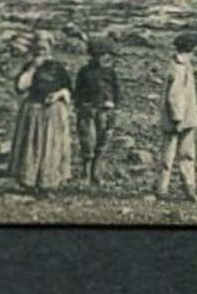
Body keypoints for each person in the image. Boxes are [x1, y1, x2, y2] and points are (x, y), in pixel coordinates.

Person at [8, 31, 74, 193]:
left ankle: (48, 183)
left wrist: (58, 95)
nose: (40, 52)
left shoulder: (57, 68)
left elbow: (67, 89)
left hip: (53, 111)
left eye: (44, 48)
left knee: (51, 145)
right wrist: (33, 68)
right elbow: (20, 87)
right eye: (37, 48)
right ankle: (28, 181)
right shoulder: (29, 67)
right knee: (31, 145)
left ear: (51, 48)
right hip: (33, 109)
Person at [155, 31, 197, 202]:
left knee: (177, 154)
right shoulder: (178, 68)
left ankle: (170, 188)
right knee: (178, 154)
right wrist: (177, 118)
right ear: (189, 50)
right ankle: (170, 190)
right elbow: (174, 97)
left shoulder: (180, 65)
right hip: (180, 119)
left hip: (183, 118)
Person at [73, 36, 121, 186]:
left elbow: (117, 91)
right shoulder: (84, 72)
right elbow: (78, 91)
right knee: (87, 142)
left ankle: (96, 172)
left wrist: (113, 104)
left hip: (105, 111)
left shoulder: (110, 73)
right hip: (88, 110)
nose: (101, 58)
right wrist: (81, 105)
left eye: (104, 55)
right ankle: (85, 173)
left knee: (102, 142)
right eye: (97, 55)